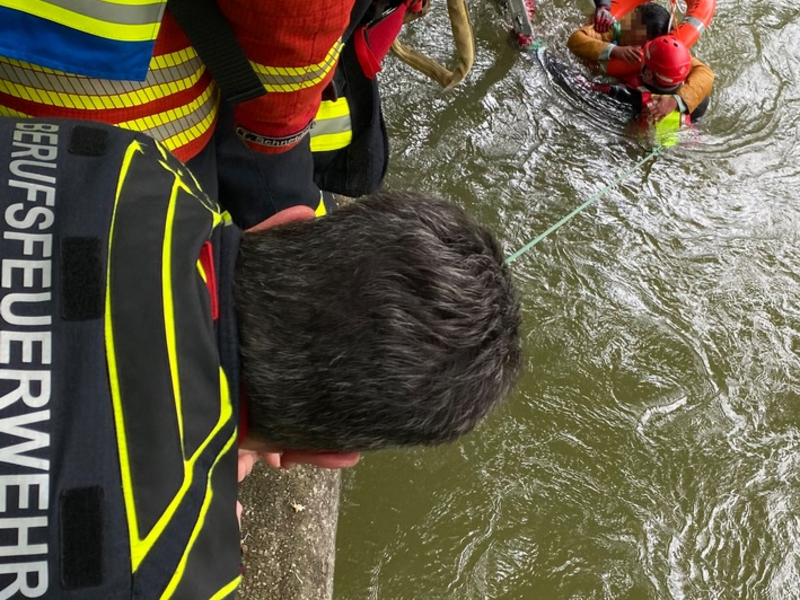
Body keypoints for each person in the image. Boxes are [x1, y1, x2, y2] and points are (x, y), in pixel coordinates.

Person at [0, 117, 522, 599]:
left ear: (287, 220)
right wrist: (192, 531)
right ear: (327, 457)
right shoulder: (169, 567)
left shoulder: (123, 159)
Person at [567, 5, 713, 125]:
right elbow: (575, 40)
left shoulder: (668, 54)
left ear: (647, 41)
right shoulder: (612, 29)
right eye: (631, 18)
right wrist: (615, 50)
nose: (625, 23)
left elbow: (705, 73)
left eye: (633, 26)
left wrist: (676, 101)